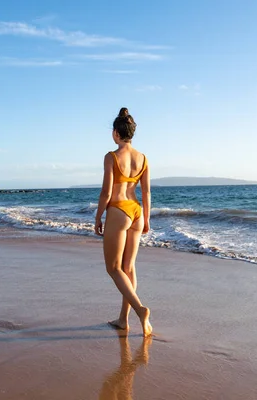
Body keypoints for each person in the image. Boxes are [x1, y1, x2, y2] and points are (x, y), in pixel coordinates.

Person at [95, 107, 153, 337]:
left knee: (114, 268)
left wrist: (99, 215)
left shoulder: (111, 157)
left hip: (119, 211)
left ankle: (140, 310)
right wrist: (147, 218)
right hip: (136, 212)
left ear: (115, 133)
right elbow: (147, 193)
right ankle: (123, 319)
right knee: (129, 268)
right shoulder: (143, 158)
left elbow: (106, 192)